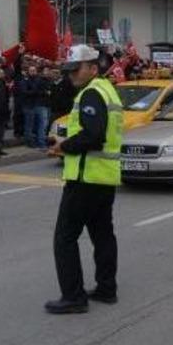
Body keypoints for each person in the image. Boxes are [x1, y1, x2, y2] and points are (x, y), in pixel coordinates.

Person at [45, 44, 123, 314]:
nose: (71, 76)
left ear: (93, 67)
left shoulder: (91, 93)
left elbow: (93, 135)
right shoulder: (106, 89)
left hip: (86, 178)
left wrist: (63, 146)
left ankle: (73, 297)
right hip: (103, 178)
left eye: (75, 70)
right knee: (102, 235)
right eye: (68, 71)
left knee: (64, 238)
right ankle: (106, 288)